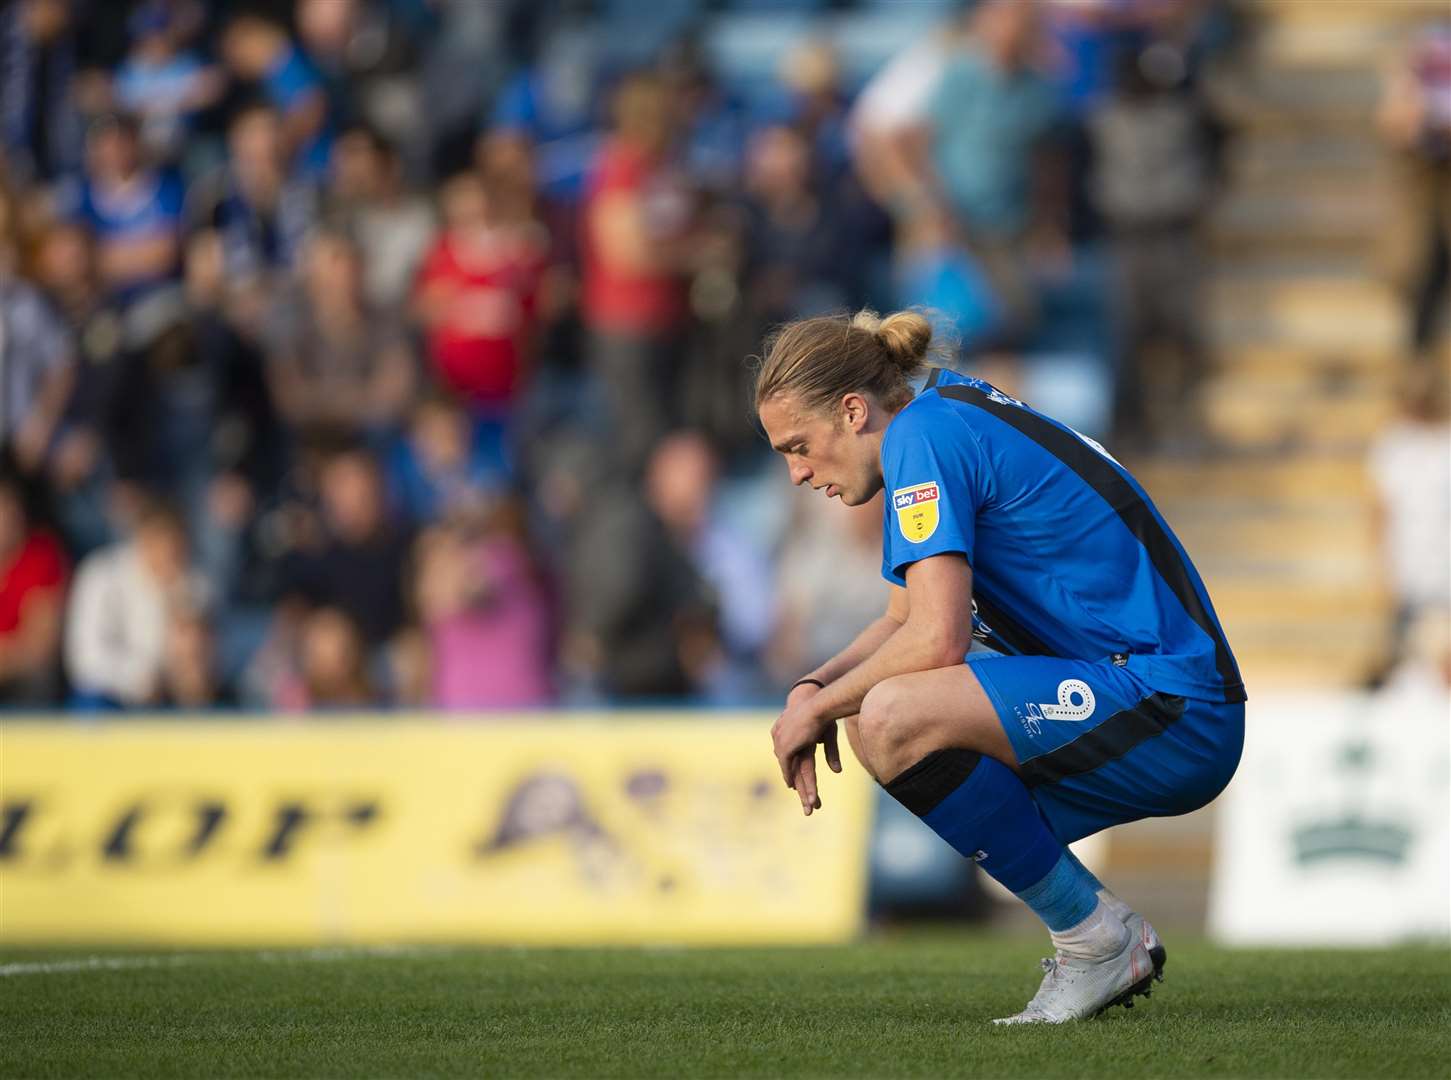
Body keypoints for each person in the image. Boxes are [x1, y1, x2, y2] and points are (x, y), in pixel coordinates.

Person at [755, 309, 1245, 1025]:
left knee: (889, 716)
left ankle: (1094, 941)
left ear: (853, 410)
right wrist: (813, 689)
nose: (796, 472)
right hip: (1157, 695)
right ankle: (1093, 938)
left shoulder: (923, 438)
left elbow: (933, 640)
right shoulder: (940, 417)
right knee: (875, 715)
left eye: (798, 446)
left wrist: (818, 709)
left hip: (1171, 704)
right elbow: (900, 619)